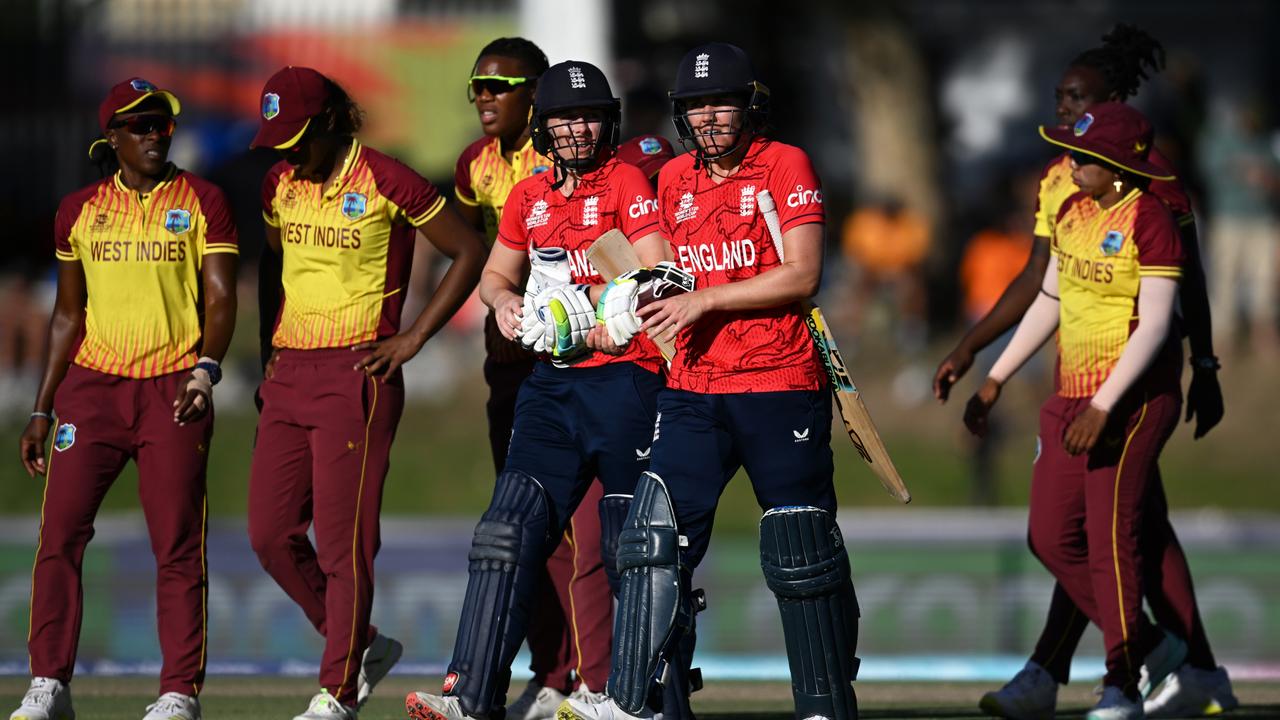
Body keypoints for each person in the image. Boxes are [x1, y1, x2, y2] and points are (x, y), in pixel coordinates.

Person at [929, 25, 1235, 720]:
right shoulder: (1066, 189)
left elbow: (1183, 297)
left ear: (1112, 109)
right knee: (1121, 534)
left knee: (1116, 536)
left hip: (1135, 384)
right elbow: (1046, 286)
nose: (1064, 115)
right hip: (1077, 384)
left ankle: (1109, 673)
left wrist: (1208, 366)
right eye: (1062, 100)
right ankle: (1182, 666)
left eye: (1077, 101)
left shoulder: (1156, 197)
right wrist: (983, 356)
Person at [559, 42, 860, 720]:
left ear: (749, 103)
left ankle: (825, 704)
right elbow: (664, 279)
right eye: (696, 106)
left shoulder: (785, 164)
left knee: (800, 551)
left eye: (721, 103)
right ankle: (629, 704)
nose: (709, 118)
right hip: (693, 385)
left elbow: (802, 274)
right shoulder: (671, 182)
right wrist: (622, 317)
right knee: (650, 542)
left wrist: (706, 300)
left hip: (779, 380)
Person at [404, 59, 669, 720]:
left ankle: (632, 700)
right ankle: (471, 697)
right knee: (506, 529)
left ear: (605, 122)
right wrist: (502, 306)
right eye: (562, 119)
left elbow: (657, 264)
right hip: (552, 385)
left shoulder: (627, 181)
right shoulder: (528, 196)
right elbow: (497, 274)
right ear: (543, 129)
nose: (576, 130)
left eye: (587, 117)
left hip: (627, 379)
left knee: (630, 547)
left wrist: (616, 312)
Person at [247, 66, 487, 720]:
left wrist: (412, 338)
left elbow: (466, 249)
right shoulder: (279, 183)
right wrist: (268, 353)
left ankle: (339, 691)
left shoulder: (386, 177)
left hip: (358, 373)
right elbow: (274, 261)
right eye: (278, 141)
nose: (289, 154)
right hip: (289, 372)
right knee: (269, 534)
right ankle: (362, 647)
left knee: (342, 543)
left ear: (330, 120)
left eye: (298, 137)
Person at [10, 77, 237, 720]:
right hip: (92, 391)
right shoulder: (77, 210)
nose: (154, 135)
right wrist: (41, 405)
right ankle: (49, 684)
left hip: (175, 389)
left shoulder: (202, 200)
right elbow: (66, 316)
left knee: (177, 542)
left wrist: (206, 369)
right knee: (59, 536)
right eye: (139, 126)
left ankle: (177, 692)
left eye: (161, 124)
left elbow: (221, 297)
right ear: (110, 137)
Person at [963, 101, 1197, 720]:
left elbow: (1154, 326)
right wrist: (995, 378)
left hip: (1133, 401)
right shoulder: (1072, 210)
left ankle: (1120, 684)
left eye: (1084, 155)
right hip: (1070, 397)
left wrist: (1103, 403)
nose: (1071, 162)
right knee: (1049, 537)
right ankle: (1151, 645)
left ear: (1119, 165)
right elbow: (1049, 298)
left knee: (1110, 542)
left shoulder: (1151, 220)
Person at [452, 37, 616, 720]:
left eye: (501, 86)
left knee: (590, 534)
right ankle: (548, 673)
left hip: (586, 366)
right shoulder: (476, 168)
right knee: (522, 528)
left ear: (535, 94)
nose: (486, 99)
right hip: (512, 367)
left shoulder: (584, 161)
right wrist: (498, 307)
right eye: (477, 88)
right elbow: (479, 256)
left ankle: (597, 678)